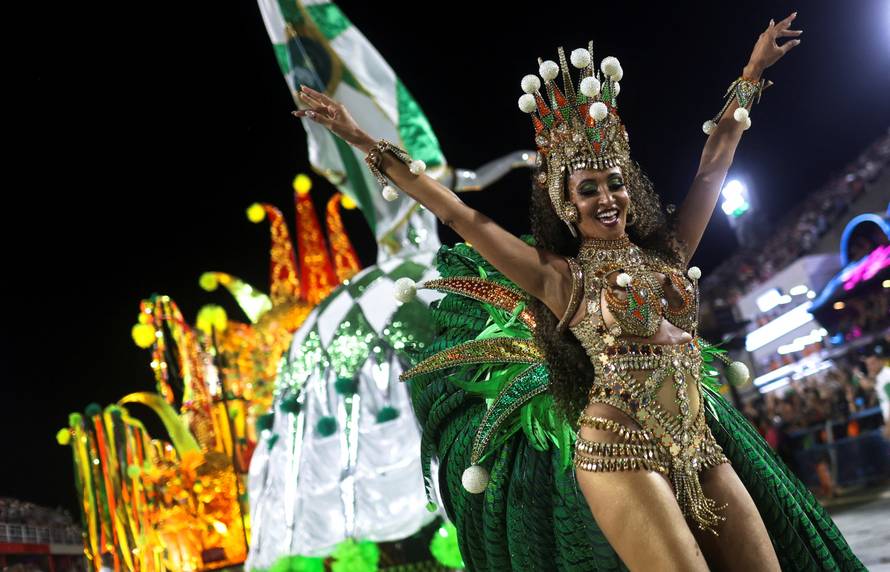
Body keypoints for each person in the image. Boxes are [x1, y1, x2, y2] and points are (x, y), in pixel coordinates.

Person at [293, 12, 862, 571]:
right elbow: (460, 214)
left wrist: (752, 71)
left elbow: (713, 167)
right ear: (567, 204)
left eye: (614, 182)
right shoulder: (557, 276)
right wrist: (358, 135)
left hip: (697, 443)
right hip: (618, 450)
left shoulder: (666, 256)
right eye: (587, 189)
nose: (606, 197)